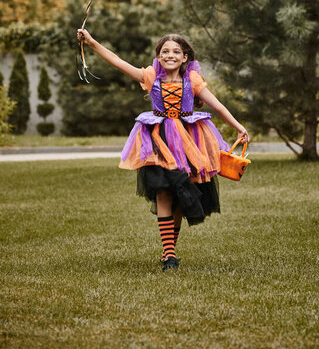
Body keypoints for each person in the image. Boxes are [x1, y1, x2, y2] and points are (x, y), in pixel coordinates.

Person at [76, 30, 249, 271]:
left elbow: (217, 105)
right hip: (159, 139)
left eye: (176, 51)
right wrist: (92, 42)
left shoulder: (193, 81)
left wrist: (239, 127)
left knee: (180, 194)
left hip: (189, 140)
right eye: (165, 51)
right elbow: (118, 62)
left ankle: (170, 250)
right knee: (163, 192)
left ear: (185, 57)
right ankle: (169, 255)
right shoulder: (149, 77)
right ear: (158, 56)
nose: (170, 55)